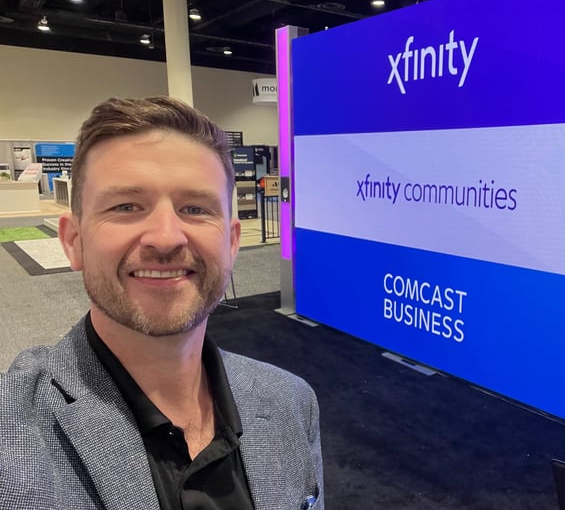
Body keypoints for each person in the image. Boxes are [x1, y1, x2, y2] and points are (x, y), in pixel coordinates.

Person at [0, 96, 323, 509]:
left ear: (231, 242)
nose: (167, 237)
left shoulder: (293, 404)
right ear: (73, 242)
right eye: (127, 206)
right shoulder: (15, 431)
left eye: (195, 207)